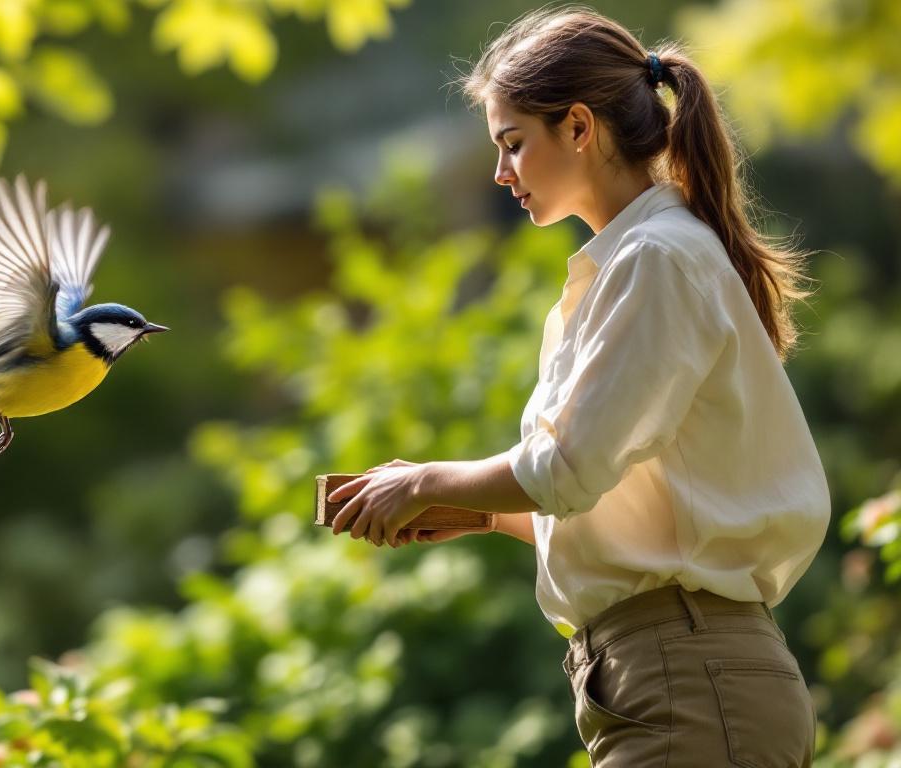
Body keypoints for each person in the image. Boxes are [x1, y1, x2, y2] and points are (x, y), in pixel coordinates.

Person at [325, 6, 831, 766]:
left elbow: (565, 470)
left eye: (513, 143)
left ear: (581, 129)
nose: (501, 174)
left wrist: (424, 478)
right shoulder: (630, 266)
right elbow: (642, 507)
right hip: (669, 677)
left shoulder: (654, 261)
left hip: (690, 679)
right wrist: (485, 516)